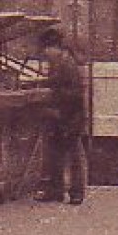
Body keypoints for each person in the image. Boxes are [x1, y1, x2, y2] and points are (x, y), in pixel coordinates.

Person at [31, 26, 88, 205]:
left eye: (46, 50)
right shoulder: (61, 61)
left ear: (54, 47)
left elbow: (73, 94)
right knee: (55, 153)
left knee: (73, 155)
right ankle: (55, 191)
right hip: (63, 115)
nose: (45, 54)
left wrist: (55, 106)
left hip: (71, 116)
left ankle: (76, 192)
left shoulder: (66, 63)